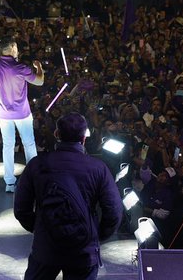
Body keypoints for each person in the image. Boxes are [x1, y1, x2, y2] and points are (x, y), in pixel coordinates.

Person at [13, 112, 122, 280]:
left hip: (46, 248)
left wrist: (39, 228)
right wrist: (97, 235)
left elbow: (21, 208)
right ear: (84, 137)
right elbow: (113, 211)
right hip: (83, 250)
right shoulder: (98, 168)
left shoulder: (37, 164)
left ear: (57, 134)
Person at [0, 35, 45, 192]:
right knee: (29, 144)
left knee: (8, 145)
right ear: (13, 48)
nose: (18, 51)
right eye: (17, 48)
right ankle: (33, 179)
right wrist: (39, 67)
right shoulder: (21, 68)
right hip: (22, 113)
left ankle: (9, 183)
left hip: (3, 113)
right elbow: (40, 81)